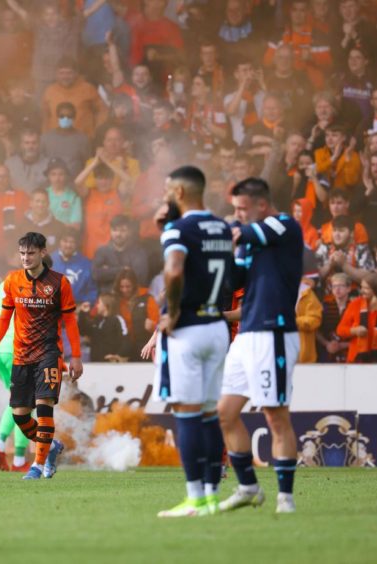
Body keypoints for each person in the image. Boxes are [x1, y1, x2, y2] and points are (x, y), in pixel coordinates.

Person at [219, 177, 304, 515]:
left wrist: (218, 230)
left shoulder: (284, 225)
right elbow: (234, 279)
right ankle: (248, 487)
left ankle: (286, 497)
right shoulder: (248, 241)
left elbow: (246, 233)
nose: (237, 215)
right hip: (247, 334)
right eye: (235, 210)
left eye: (242, 209)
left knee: (275, 416)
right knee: (224, 413)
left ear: (262, 206)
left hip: (275, 333)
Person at [153, 166, 233, 518]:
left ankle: (194, 498)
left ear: (180, 192)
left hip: (188, 329)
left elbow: (174, 269)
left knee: (186, 414)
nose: (166, 195)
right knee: (210, 414)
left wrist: (171, 311)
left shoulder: (178, 229)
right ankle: (213, 495)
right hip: (217, 326)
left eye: (169, 190)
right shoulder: (221, 226)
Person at [0, 232, 83, 480]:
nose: (26, 258)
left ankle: (37, 465)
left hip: (49, 354)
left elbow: (70, 321)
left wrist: (76, 356)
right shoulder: (12, 281)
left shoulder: (60, 283)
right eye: (22, 253)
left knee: (44, 407)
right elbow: (4, 317)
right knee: (20, 415)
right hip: (21, 355)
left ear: (42, 253)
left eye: (30, 253)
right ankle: (51, 446)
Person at [336, 272, 377, 363]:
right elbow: (340, 330)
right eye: (362, 287)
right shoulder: (355, 304)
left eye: (366, 288)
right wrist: (354, 331)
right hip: (356, 359)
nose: (362, 290)